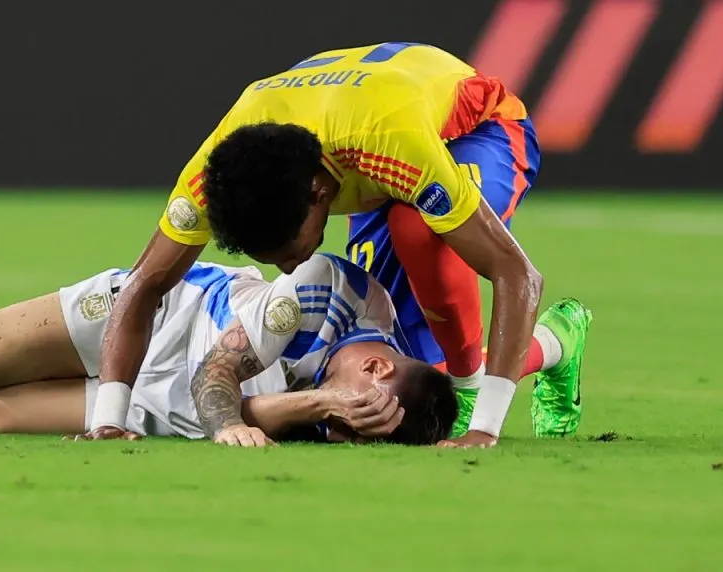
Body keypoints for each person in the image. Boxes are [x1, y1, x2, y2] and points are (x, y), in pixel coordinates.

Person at [85, 42, 592, 448]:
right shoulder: (222, 168)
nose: (286, 269)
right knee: (403, 376)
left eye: (287, 246)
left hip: (472, 129)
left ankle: (470, 384)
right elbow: (145, 283)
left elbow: (517, 274)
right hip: (356, 144)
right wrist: (108, 418)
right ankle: (556, 343)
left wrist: (484, 426)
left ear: (319, 195)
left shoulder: (391, 142)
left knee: (420, 233)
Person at [0, 254, 458, 446]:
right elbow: (216, 374)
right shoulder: (325, 291)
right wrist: (230, 427)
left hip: (174, 409)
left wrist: (318, 406)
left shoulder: (359, 399)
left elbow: (252, 413)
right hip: (167, 318)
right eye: (354, 418)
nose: (340, 433)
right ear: (375, 365)